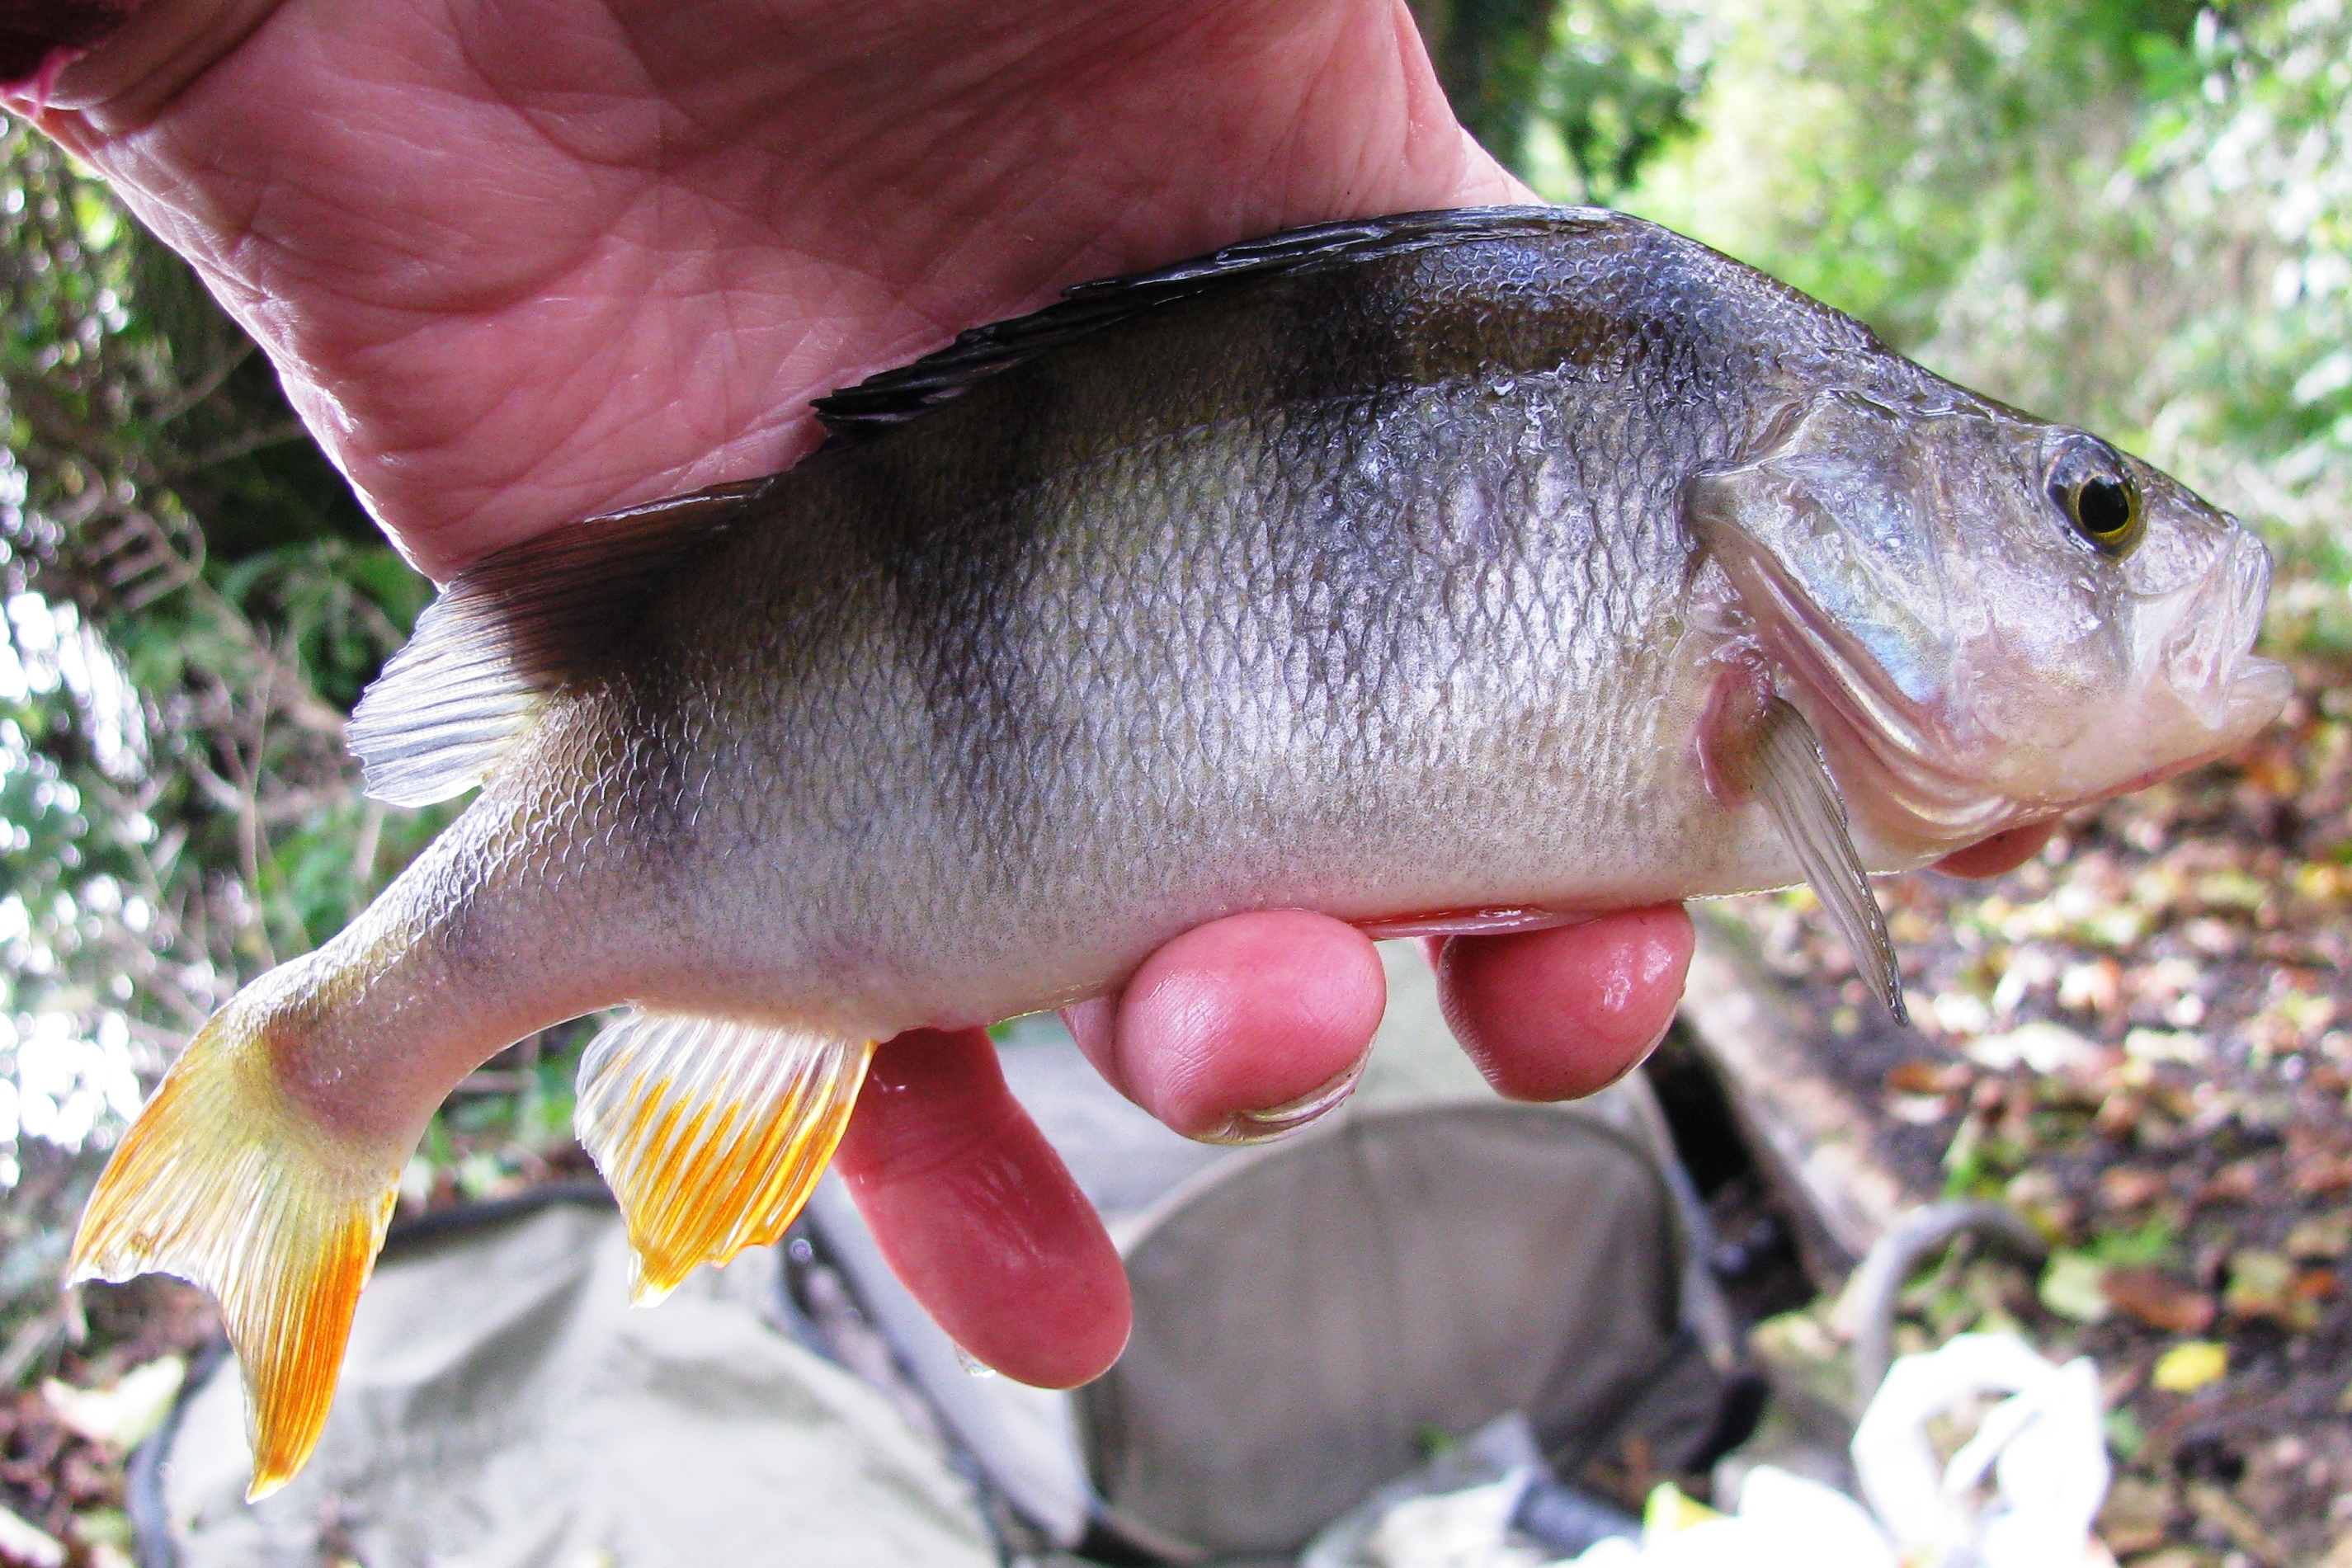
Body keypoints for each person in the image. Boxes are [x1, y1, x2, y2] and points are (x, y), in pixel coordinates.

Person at [3, 0, 2049, 1389]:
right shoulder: (1732, 506)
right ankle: (318, 1089)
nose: (2131, 560)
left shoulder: (1731, 500)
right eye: (2088, 514)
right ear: (1842, 493)